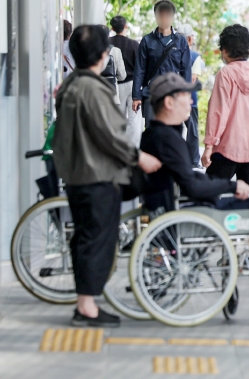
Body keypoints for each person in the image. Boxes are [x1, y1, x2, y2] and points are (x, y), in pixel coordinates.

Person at [141, 72, 249, 288]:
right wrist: (233, 185)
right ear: (169, 102)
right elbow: (192, 186)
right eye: (186, 96)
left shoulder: (152, 135)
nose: (191, 101)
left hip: (174, 209)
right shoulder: (169, 139)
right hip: (194, 212)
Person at [52, 25, 162, 327]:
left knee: (86, 237)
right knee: (97, 238)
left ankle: (84, 302)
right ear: (103, 54)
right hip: (96, 175)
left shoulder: (71, 83)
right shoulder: (93, 89)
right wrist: (138, 156)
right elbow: (109, 136)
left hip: (77, 174)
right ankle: (86, 307)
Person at [202, 25, 249, 189]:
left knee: (208, 194)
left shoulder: (225, 74)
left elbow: (218, 112)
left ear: (224, 50)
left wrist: (209, 146)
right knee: (248, 202)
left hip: (228, 147)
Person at [131, 0, 192, 133]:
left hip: (173, 94)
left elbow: (186, 70)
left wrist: (186, 97)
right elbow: (139, 69)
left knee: (173, 132)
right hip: (151, 94)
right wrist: (136, 96)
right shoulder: (147, 41)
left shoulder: (180, 42)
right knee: (152, 133)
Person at [110, 15, 143, 146]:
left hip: (115, 85)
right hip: (132, 85)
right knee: (134, 119)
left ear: (112, 28)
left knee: (117, 118)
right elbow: (140, 68)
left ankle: (117, 147)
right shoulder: (134, 44)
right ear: (125, 27)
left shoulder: (107, 44)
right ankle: (133, 149)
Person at [178, 24, 203, 167]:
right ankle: (194, 160)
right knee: (192, 130)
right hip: (190, 99)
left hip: (172, 97)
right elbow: (193, 78)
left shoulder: (171, 52)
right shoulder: (194, 56)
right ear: (188, 39)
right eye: (192, 36)